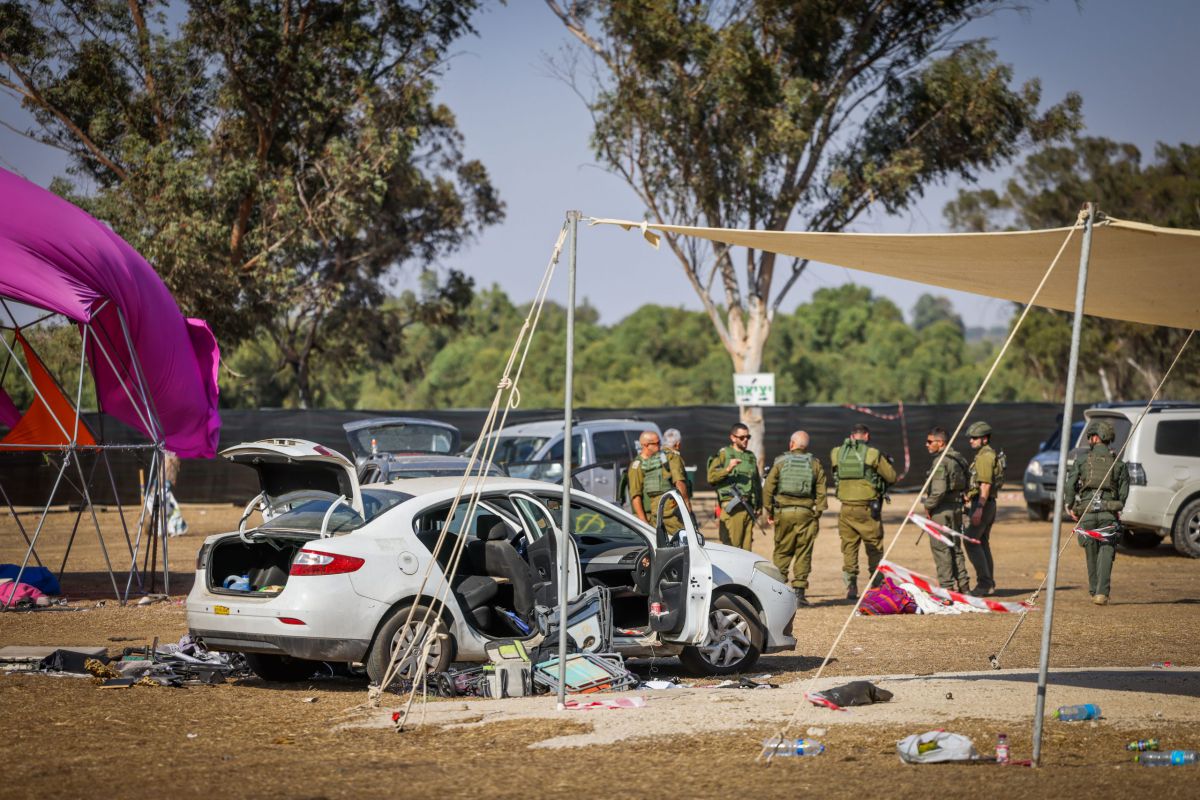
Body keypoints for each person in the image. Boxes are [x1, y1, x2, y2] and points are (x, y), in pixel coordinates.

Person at [1065, 419, 1129, 605]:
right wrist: (1117, 506)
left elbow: (1070, 485)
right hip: (1108, 513)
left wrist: (1070, 505)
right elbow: (1124, 493)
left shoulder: (1082, 460)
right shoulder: (1119, 463)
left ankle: (1094, 590)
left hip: (1087, 512)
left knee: (1090, 551)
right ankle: (1102, 593)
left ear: (1095, 438)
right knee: (1107, 550)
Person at [830, 423, 896, 599]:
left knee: (849, 548)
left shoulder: (837, 453)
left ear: (852, 436)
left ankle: (851, 586)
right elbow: (891, 476)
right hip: (867, 509)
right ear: (866, 436)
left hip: (845, 508)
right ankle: (877, 584)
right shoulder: (873, 454)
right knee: (874, 547)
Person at [763, 430, 827, 607]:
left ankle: (777, 593)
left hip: (784, 513)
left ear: (791, 444)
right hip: (806, 513)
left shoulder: (780, 462)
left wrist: (770, 511)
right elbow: (822, 492)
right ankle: (799, 593)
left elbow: (768, 488)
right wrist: (817, 514)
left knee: (782, 551)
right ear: (806, 446)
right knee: (803, 552)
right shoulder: (815, 464)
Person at [921, 427, 971, 593]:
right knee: (955, 548)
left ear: (940, 443)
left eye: (929, 442)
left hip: (942, 510)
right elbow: (967, 481)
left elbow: (939, 490)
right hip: (956, 508)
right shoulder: (958, 459)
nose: (926, 445)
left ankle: (947, 590)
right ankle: (964, 586)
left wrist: (928, 506)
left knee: (941, 548)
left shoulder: (941, 461)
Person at [707, 423, 762, 550]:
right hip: (732, 508)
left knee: (747, 551)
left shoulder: (750, 457)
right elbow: (711, 478)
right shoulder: (724, 454)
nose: (746, 440)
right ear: (733, 438)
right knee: (733, 548)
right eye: (742, 437)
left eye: (748, 437)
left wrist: (759, 505)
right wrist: (728, 468)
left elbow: (756, 483)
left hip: (748, 508)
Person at [964, 420, 1003, 595]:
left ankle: (984, 583)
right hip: (987, 504)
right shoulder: (986, 454)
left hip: (983, 504)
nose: (971, 441)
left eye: (974, 438)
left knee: (971, 541)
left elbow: (985, 485)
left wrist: (978, 508)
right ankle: (989, 583)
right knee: (982, 542)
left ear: (985, 439)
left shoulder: (985, 457)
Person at [628, 430, 687, 534]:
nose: (660, 445)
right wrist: (644, 522)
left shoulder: (663, 458)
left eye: (660, 442)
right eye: (656, 443)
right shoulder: (636, 466)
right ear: (645, 445)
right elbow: (635, 496)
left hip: (667, 513)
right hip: (649, 517)